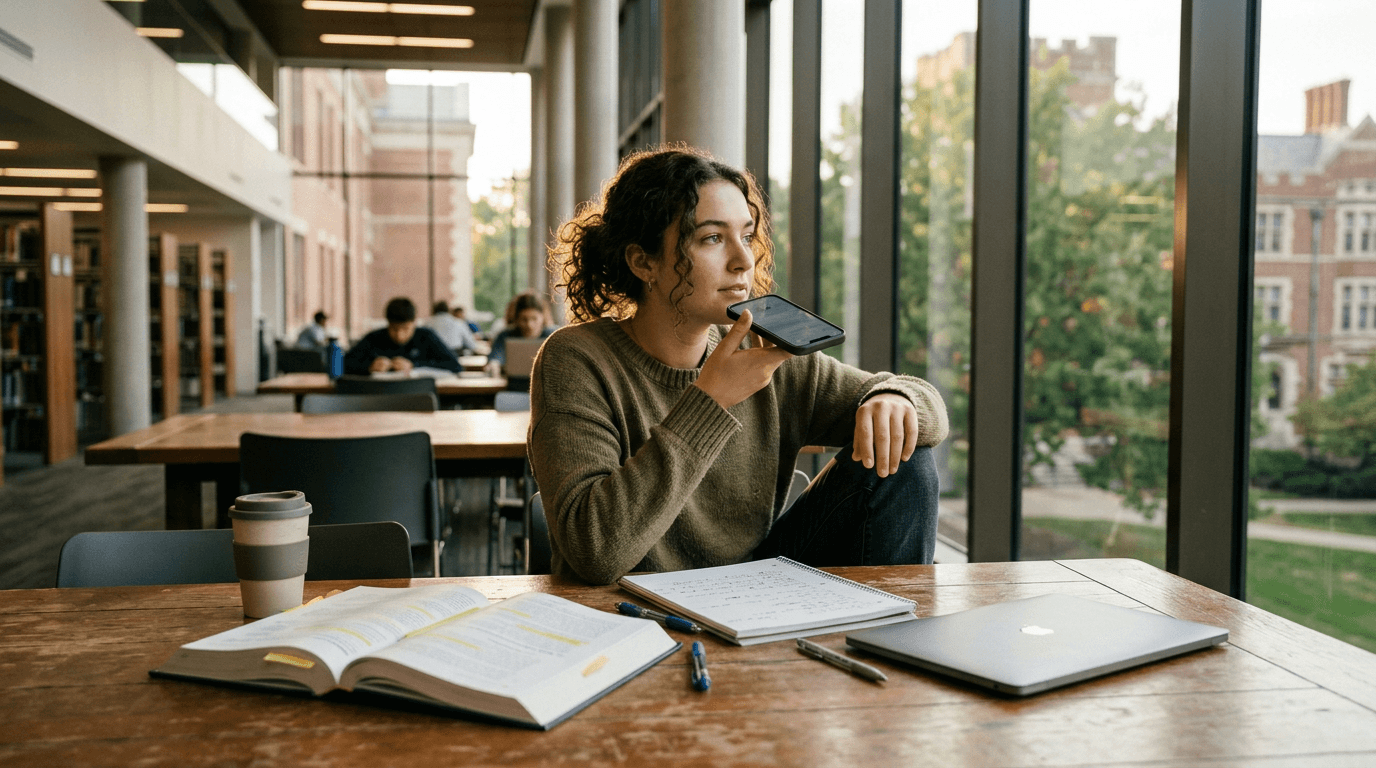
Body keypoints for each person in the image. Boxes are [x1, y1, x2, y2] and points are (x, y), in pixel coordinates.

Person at [528, 147, 949, 585]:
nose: (743, 260)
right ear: (643, 262)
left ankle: (888, 640)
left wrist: (893, 397)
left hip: (751, 590)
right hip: (632, 611)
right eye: (712, 238)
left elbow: (926, 406)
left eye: (746, 236)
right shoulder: (576, 359)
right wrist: (711, 400)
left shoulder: (763, 352)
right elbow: (595, 552)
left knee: (906, 456)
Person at [343, 297, 461, 375]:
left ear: (414, 323)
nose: (399, 335)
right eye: (394, 329)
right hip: (377, 400)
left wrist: (414, 365)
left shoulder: (426, 336)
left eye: (405, 329)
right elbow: (344, 364)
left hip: (418, 399)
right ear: (387, 324)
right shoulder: (374, 338)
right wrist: (368, 367)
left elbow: (455, 365)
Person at [483, 291, 556, 377]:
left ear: (543, 317)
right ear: (516, 319)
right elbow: (496, 357)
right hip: (512, 386)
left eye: (534, 318)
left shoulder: (553, 336)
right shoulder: (505, 335)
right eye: (524, 319)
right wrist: (493, 365)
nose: (529, 325)